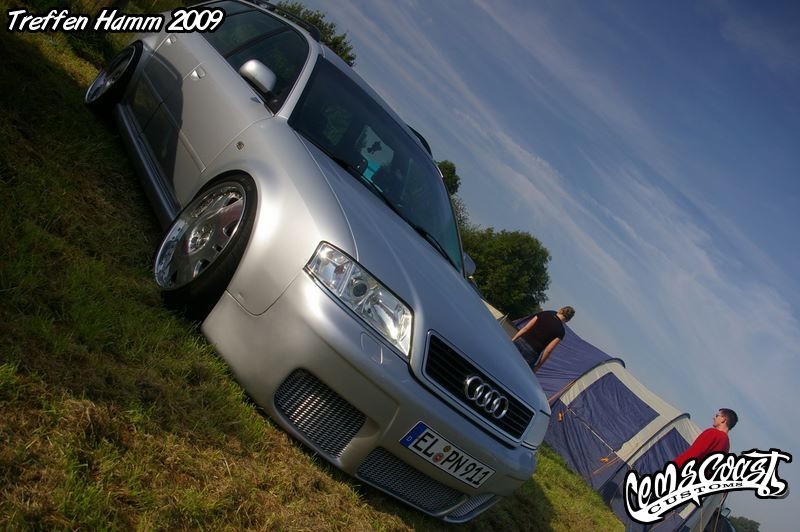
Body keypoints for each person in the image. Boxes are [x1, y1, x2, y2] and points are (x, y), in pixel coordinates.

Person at [511, 306, 575, 372]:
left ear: (561, 310)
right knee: (516, 372)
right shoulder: (561, 331)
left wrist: (513, 339)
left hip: (520, 341)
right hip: (532, 353)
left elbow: (526, 328)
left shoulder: (545, 313)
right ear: (568, 320)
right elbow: (548, 350)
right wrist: (538, 366)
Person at [673, 408, 738, 468]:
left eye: (717, 416)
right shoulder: (727, 445)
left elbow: (694, 454)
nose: (714, 418)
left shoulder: (713, 433)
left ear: (723, 419)